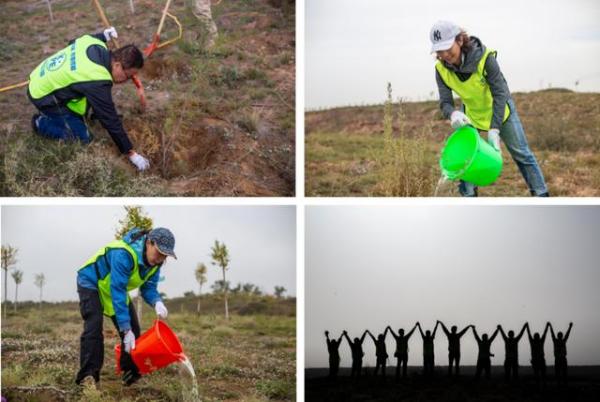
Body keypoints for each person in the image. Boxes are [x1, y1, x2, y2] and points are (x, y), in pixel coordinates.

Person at [430, 20, 549, 197]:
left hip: (501, 112)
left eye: (448, 48)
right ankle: (469, 199)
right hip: (471, 117)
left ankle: (541, 196)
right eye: (440, 51)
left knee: (522, 155)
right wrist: (452, 112)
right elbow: (445, 102)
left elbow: (500, 95)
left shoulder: (485, 59)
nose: (445, 54)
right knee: (466, 158)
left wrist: (495, 129)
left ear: (460, 41)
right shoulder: (441, 69)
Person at [27, 28, 151, 171]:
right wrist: (131, 153)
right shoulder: (97, 79)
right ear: (117, 65)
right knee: (83, 138)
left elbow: (73, 42)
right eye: (128, 76)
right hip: (43, 95)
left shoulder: (94, 43)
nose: (127, 80)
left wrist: (103, 35)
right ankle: (40, 123)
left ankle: (81, 115)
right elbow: (110, 119)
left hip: (40, 74)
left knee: (90, 100)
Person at [75, 227, 176, 388]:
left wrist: (157, 301)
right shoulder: (124, 253)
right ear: (149, 243)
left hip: (113, 288)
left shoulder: (156, 264)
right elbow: (118, 290)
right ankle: (88, 377)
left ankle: (129, 373)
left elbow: (148, 289)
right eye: (159, 253)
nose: (160, 259)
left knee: (134, 331)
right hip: (91, 282)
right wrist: (124, 328)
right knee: (93, 327)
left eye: (165, 255)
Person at [526, 322, 550, 387]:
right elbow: (544, 334)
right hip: (538, 360)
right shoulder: (539, 341)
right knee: (539, 374)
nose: (536, 337)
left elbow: (529, 334)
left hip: (538, 360)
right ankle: (540, 385)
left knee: (540, 374)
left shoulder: (535, 341)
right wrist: (547, 326)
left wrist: (527, 327)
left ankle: (540, 385)